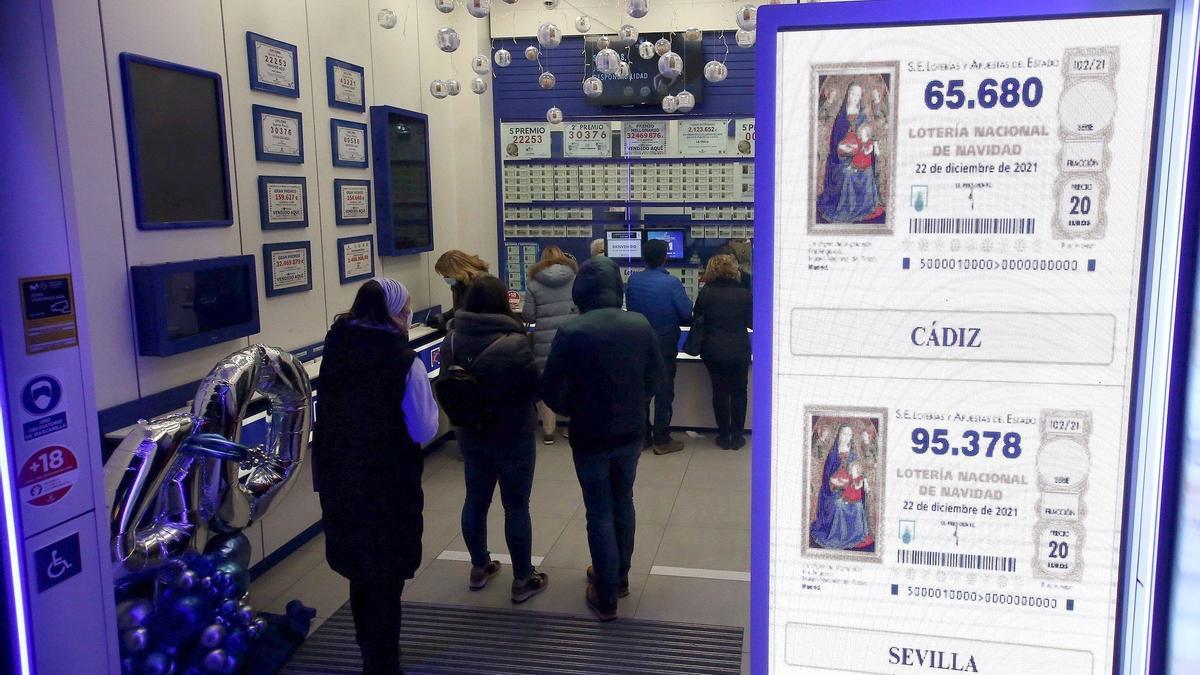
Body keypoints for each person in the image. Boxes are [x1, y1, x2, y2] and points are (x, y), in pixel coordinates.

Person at [313, 277, 440, 674]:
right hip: (388, 479)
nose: (408, 317)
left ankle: (367, 645)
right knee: (386, 574)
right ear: (393, 312)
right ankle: (383, 662)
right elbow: (422, 429)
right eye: (405, 310)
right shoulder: (403, 360)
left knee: (359, 566)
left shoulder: (335, 347)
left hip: (339, 475)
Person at [542, 256, 663, 621]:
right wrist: (636, 403)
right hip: (630, 431)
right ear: (617, 287)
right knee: (623, 500)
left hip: (589, 433)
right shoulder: (639, 324)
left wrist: (571, 409)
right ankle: (621, 577)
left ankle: (605, 592)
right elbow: (657, 377)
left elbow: (550, 388)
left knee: (598, 510)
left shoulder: (572, 331)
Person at [440, 275, 549, 603]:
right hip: (512, 434)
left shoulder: (453, 339)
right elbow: (534, 389)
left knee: (475, 499)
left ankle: (479, 566)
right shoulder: (515, 343)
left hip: (471, 433)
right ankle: (521, 579)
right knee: (516, 506)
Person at [625, 239, 692, 454]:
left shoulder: (633, 282)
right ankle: (661, 440)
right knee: (664, 392)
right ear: (665, 257)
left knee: (642, 392)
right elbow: (686, 312)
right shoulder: (671, 283)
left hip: (638, 342)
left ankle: (643, 437)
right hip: (664, 344)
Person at [692, 254, 753, 450]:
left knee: (719, 391)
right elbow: (752, 322)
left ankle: (723, 436)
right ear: (734, 270)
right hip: (738, 349)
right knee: (739, 392)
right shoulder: (745, 294)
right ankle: (737, 437)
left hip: (713, 350)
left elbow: (696, 318)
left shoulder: (706, 293)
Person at [521, 246, 579, 444]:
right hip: (571, 337)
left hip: (544, 340)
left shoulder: (533, 282)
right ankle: (572, 427)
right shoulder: (574, 277)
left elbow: (528, 315)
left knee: (546, 382)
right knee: (572, 381)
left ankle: (548, 431)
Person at [816, 81, 884, 224]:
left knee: (866, 172)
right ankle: (845, 209)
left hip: (860, 156)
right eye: (852, 93)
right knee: (846, 174)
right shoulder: (841, 117)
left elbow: (869, 136)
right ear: (847, 94)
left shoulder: (863, 117)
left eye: (858, 94)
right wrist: (842, 151)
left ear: (861, 97)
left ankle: (863, 207)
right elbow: (835, 141)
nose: (854, 96)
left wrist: (869, 147)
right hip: (841, 160)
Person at [810, 425, 873, 550]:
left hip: (849, 488)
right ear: (839, 434)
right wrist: (834, 482)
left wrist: (864, 481)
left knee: (858, 506)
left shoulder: (853, 453)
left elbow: (859, 471)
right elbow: (827, 475)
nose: (846, 437)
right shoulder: (833, 453)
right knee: (838, 505)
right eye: (844, 433)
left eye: (849, 434)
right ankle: (837, 536)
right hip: (833, 491)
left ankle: (854, 534)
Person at [430, 250, 489, 330]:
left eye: (447, 275)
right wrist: (444, 317)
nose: (446, 278)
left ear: (456, 272)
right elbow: (462, 307)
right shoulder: (459, 284)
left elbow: (476, 318)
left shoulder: (481, 285)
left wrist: (449, 325)